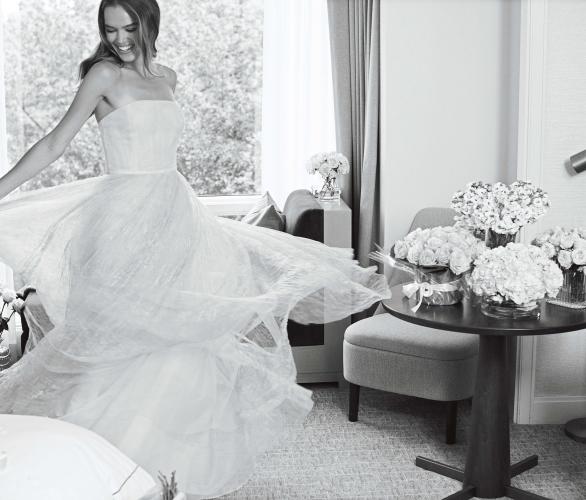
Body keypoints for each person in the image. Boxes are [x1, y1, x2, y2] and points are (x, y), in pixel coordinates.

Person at [0, 0, 390, 498]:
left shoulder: (169, 78)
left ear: (150, 23)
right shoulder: (102, 76)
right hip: (120, 220)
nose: (120, 39)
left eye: (129, 27)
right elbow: (54, 144)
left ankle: (165, 461)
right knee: (120, 340)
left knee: (178, 337)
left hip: (171, 217)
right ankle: (104, 459)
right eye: (110, 29)